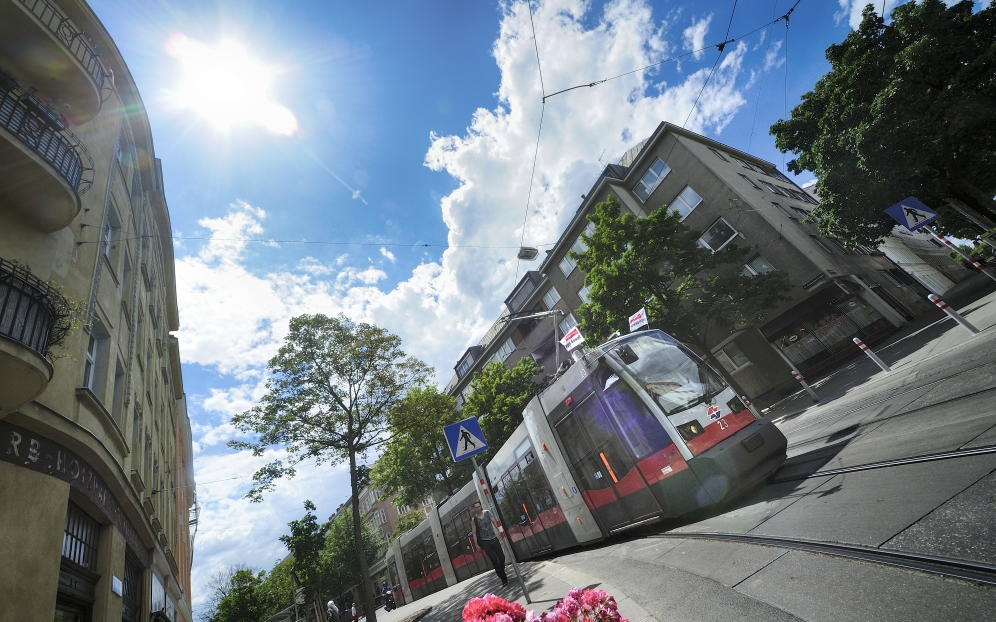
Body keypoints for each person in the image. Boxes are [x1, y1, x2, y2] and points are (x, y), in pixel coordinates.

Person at [471, 500, 508, 585]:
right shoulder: (474, 520)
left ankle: (501, 570)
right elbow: (474, 532)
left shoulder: (487, 513)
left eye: (479, 506)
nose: (478, 508)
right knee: (494, 559)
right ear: (474, 509)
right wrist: (476, 544)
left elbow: (494, 522)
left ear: (481, 506)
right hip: (485, 542)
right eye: (476, 507)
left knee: (501, 557)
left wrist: (500, 531)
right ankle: (503, 578)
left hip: (494, 538)